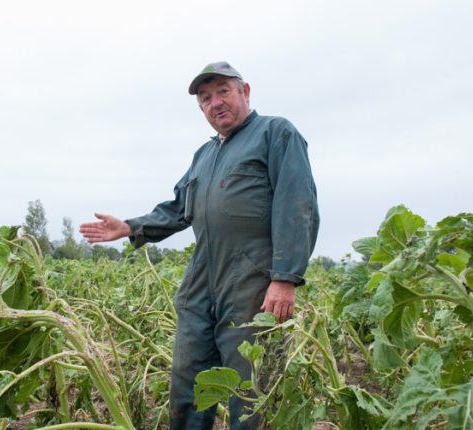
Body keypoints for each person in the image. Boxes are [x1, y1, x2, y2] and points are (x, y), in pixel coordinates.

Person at [79, 61, 319, 430]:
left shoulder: (275, 133)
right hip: (202, 278)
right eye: (205, 98)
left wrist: (284, 278)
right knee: (188, 375)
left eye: (223, 91)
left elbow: (297, 204)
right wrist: (130, 227)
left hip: (252, 281)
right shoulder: (203, 156)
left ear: (245, 91)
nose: (215, 103)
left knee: (250, 384)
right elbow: (178, 209)